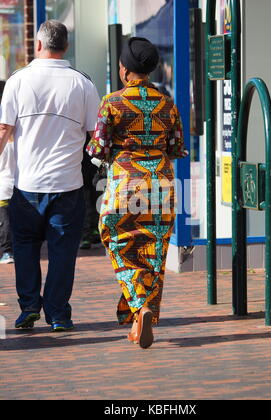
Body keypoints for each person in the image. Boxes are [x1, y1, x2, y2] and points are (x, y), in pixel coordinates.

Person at [87, 37, 187, 348]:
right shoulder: (167, 103)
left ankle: (139, 305)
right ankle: (140, 318)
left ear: (125, 70)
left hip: (125, 185)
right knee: (152, 254)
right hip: (162, 184)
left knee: (115, 240)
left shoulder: (112, 102)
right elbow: (176, 147)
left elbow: (99, 148)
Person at [0, 20, 100, 332]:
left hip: (27, 185)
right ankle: (57, 313)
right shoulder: (82, 83)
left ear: (39, 45)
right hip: (67, 185)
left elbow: (4, 129)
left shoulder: (18, 81)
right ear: (66, 47)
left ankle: (29, 305)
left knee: (26, 247)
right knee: (62, 252)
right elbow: (95, 133)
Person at [0, 80, 14, 264]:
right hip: (18, 185)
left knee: (5, 222)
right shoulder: (16, 138)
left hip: (4, 187)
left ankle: (6, 251)